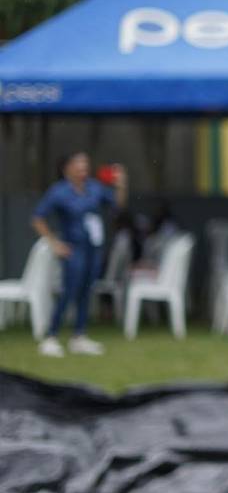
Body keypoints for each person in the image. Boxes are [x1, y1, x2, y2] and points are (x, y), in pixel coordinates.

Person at [31, 152, 127, 357]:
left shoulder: (94, 187)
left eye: (86, 163)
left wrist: (120, 184)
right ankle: (51, 336)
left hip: (93, 247)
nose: (84, 167)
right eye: (79, 164)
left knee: (86, 291)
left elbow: (117, 205)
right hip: (73, 248)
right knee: (70, 290)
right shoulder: (59, 191)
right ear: (67, 168)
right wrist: (54, 243)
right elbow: (38, 218)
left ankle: (79, 337)